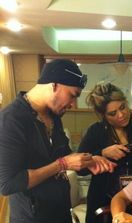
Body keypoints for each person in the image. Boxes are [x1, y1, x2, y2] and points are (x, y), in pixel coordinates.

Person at [0, 59, 116, 223]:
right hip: (32, 218)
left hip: (60, 212)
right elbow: (8, 184)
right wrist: (62, 164)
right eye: (72, 95)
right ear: (54, 85)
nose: (72, 104)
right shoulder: (10, 120)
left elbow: (64, 154)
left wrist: (90, 160)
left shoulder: (54, 115)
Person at [77, 83, 132, 223]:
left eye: (122, 107)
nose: (121, 115)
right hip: (103, 204)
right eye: (112, 113)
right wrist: (102, 153)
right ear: (103, 115)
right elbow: (80, 170)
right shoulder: (96, 132)